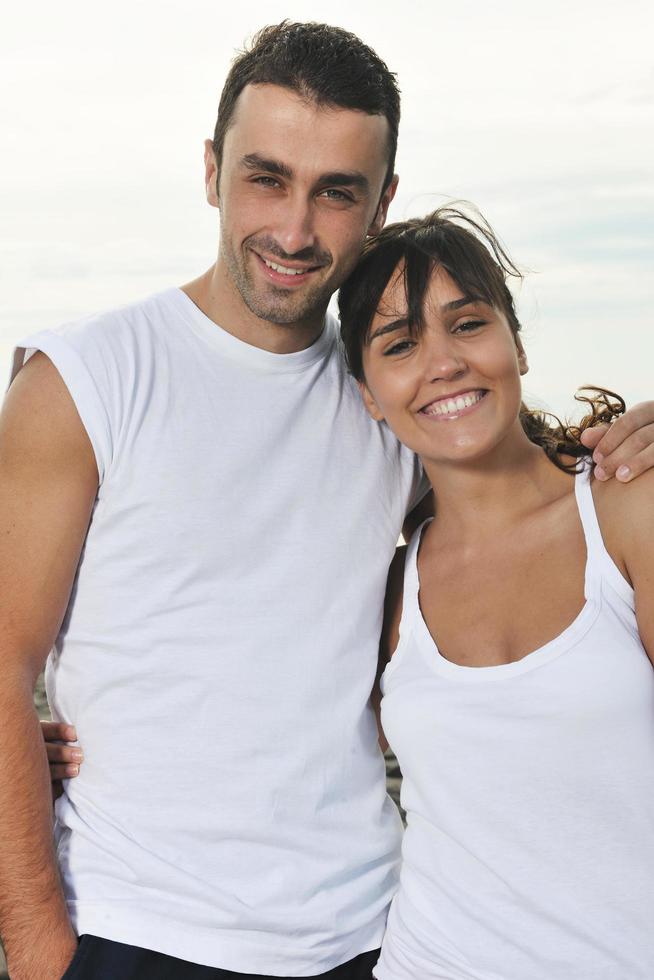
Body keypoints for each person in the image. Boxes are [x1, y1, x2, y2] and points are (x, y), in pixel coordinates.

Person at [1, 20, 652, 980]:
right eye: (267, 177)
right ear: (213, 169)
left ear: (380, 203)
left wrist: (628, 436)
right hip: (139, 932)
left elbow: (511, 466)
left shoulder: (388, 400)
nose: (296, 230)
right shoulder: (86, 377)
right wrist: (40, 944)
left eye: (336, 192)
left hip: (370, 938)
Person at [338, 206, 654, 979]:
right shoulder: (386, 587)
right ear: (370, 394)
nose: (442, 363)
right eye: (401, 345)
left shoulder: (625, 509)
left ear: (513, 341)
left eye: (467, 324)